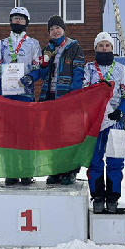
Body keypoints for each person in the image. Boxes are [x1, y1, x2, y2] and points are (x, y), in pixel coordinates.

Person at [0, 7, 41, 186]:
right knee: (9, 135)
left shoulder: (33, 44)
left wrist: (31, 78)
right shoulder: (2, 44)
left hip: (25, 94)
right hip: (7, 96)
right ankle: (11, 171)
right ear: (10, 21)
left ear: (27, 22)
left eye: (21, 19)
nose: (18, 21)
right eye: (15, 19)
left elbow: (38, 68)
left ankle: (26, 171)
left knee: (25, 135)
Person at [84, 32, 125, 213]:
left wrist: (120, 112)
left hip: (114, 121)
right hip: (95, 120)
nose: (104, 48)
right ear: (95, 48)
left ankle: (113, 197)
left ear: (112, 48)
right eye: (101, 45)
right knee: (95, 160)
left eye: (107, 46)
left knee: (115, 160)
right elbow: (84, 93)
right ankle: (97, 196)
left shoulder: (120, 69)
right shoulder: (89, 68)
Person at [39, 15, 85, 185]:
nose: (55, 31)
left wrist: (73, 96)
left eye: (57, 28)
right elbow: (43, 75)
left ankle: (69, 171)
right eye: (51, 29)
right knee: (51, 136)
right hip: (49, 97)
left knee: (68, 136)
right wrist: (43, 65)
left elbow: (79, 73)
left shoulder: (74, 48)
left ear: (63, 30)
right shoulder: (47, 49)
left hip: (66, 98)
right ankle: (55, 170)